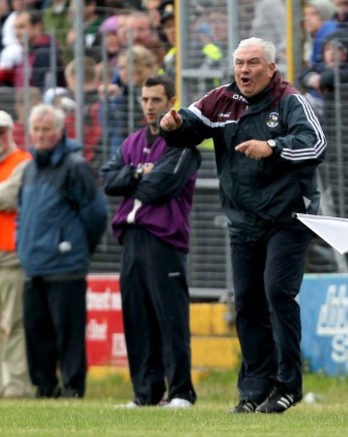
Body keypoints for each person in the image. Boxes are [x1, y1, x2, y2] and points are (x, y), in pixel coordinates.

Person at [159, 37, 326, 414]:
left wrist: (273, 147)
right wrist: (171, 125)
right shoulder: (221, 99)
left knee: (276, 293)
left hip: (288, 218)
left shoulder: (290, 101)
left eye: (252, 63)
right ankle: (253, 389)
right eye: (239, 63)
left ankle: (287, 385)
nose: (244, 71)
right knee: (248, 301)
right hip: (243, 221)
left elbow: (316, 145)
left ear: (271, 68)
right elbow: (191, 124)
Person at [101, 75, 200, 409]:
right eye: (144, 100)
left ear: (170, 102)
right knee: (137, 317)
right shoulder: (131, 142)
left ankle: (181, 392)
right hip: (131, 238)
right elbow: (108, 181)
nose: (148, 106)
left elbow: (159, 188)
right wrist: (139, 173)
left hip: (164, 240)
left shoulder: (183, 145)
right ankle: (146, 394)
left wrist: (135, 178)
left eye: (156, 100)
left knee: (170, 317)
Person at [17, 103, 108, 398]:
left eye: (47, 130)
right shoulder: (29, 168)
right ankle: (44, 388)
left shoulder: (75, 166)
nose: (41, 135)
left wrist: (77, 247)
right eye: (36, 130)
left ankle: (72, 389)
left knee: (68, 334)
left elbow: (96, 214)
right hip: (34, 265)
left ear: (60, 132)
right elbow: (23, 212)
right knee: (36, 334)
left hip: (65, 265)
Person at [0, 110, 32, 398]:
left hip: (10, 254)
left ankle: (16, 386)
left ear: (11, 132)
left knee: (13, 324)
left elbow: (8, 197)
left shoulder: (22, 162)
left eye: (2, 131)